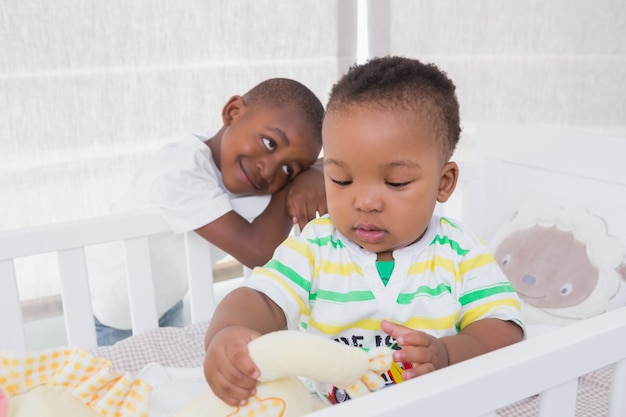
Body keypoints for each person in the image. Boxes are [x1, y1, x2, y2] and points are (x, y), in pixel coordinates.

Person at [202, 56, 525, 407]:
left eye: (396, 182)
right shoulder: (315, 246)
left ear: (443, 183)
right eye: (341, 180)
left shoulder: (460, 252)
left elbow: (503, 327)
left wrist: (447, 354)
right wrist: (227, 332)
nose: (366, 202)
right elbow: (261, 299)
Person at [88, 78, 327, 346]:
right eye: (270, 143)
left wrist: (317, 171)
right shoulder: (179, 171)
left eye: (288, 170)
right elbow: (260, 251)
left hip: (165, 299)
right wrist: (296, 183)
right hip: (114, 315)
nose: (268, 169)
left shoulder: (247, 175)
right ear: (233, 112)